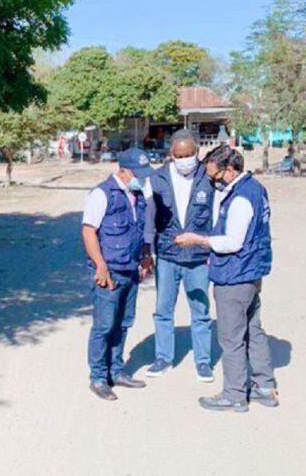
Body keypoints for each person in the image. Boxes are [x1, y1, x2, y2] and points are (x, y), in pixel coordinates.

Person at [176, 145, 278, 412]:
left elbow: (233, 242)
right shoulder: (255, 189)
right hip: (251, 272)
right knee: (253, 330)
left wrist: (198, 240)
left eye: (215, 176)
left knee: (231, 338)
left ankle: (234, 394)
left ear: (230, 170)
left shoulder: (242, 198)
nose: (213, 181)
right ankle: (264, 386)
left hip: (235, 275)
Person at [82, 148, 155, 401]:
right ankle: (99, 377)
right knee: (104, 326)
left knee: (124, 323)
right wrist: (100, 265)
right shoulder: (102, 194)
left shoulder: (137, 194)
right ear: (123, 171)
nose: (142, 179)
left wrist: (146, 256)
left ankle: (117, 370)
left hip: (131, 269)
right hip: (108, 272)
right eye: (138, 173)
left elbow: (142, 229)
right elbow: (89, 231)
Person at [144, 129, 214, 382]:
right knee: (163, 310)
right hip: (167, 256)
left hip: (198, 258)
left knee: (201, 312)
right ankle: (163, 358)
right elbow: (149, 217)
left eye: (189, 154)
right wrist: (147, 251)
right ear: (171, 154)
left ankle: (203, 362)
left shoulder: (208, 177)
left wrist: (212, 248)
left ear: (196, 153)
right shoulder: (157, 178)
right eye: (179, 155)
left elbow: (216, 217)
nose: (185, 160)